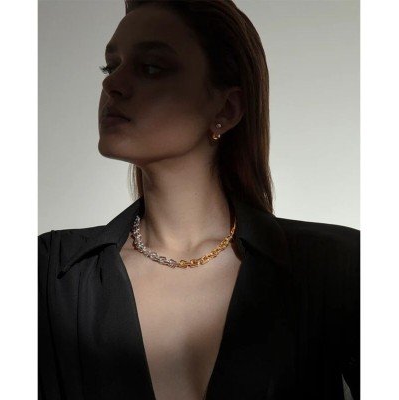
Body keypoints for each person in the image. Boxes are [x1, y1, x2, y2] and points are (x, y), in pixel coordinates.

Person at [38, 1, 360, 399]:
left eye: (151, 67)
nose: (112, 85)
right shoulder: (47, 275)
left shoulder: (340, 268)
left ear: (226, 108)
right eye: (111, 66)